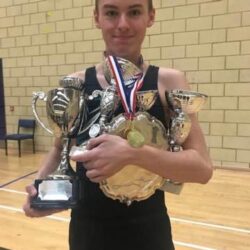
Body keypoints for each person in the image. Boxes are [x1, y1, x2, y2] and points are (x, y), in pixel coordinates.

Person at [23, 0, 213, 249]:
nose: (122, 24)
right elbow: (60, 150)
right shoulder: (77, 83)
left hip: (149, 231)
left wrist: (133, 154)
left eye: (134, 12)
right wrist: (42, 193)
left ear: (151, 17)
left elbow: (202, 169)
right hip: (88, 231)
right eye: (111, 13)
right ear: (97, 18)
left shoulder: (169, 81)